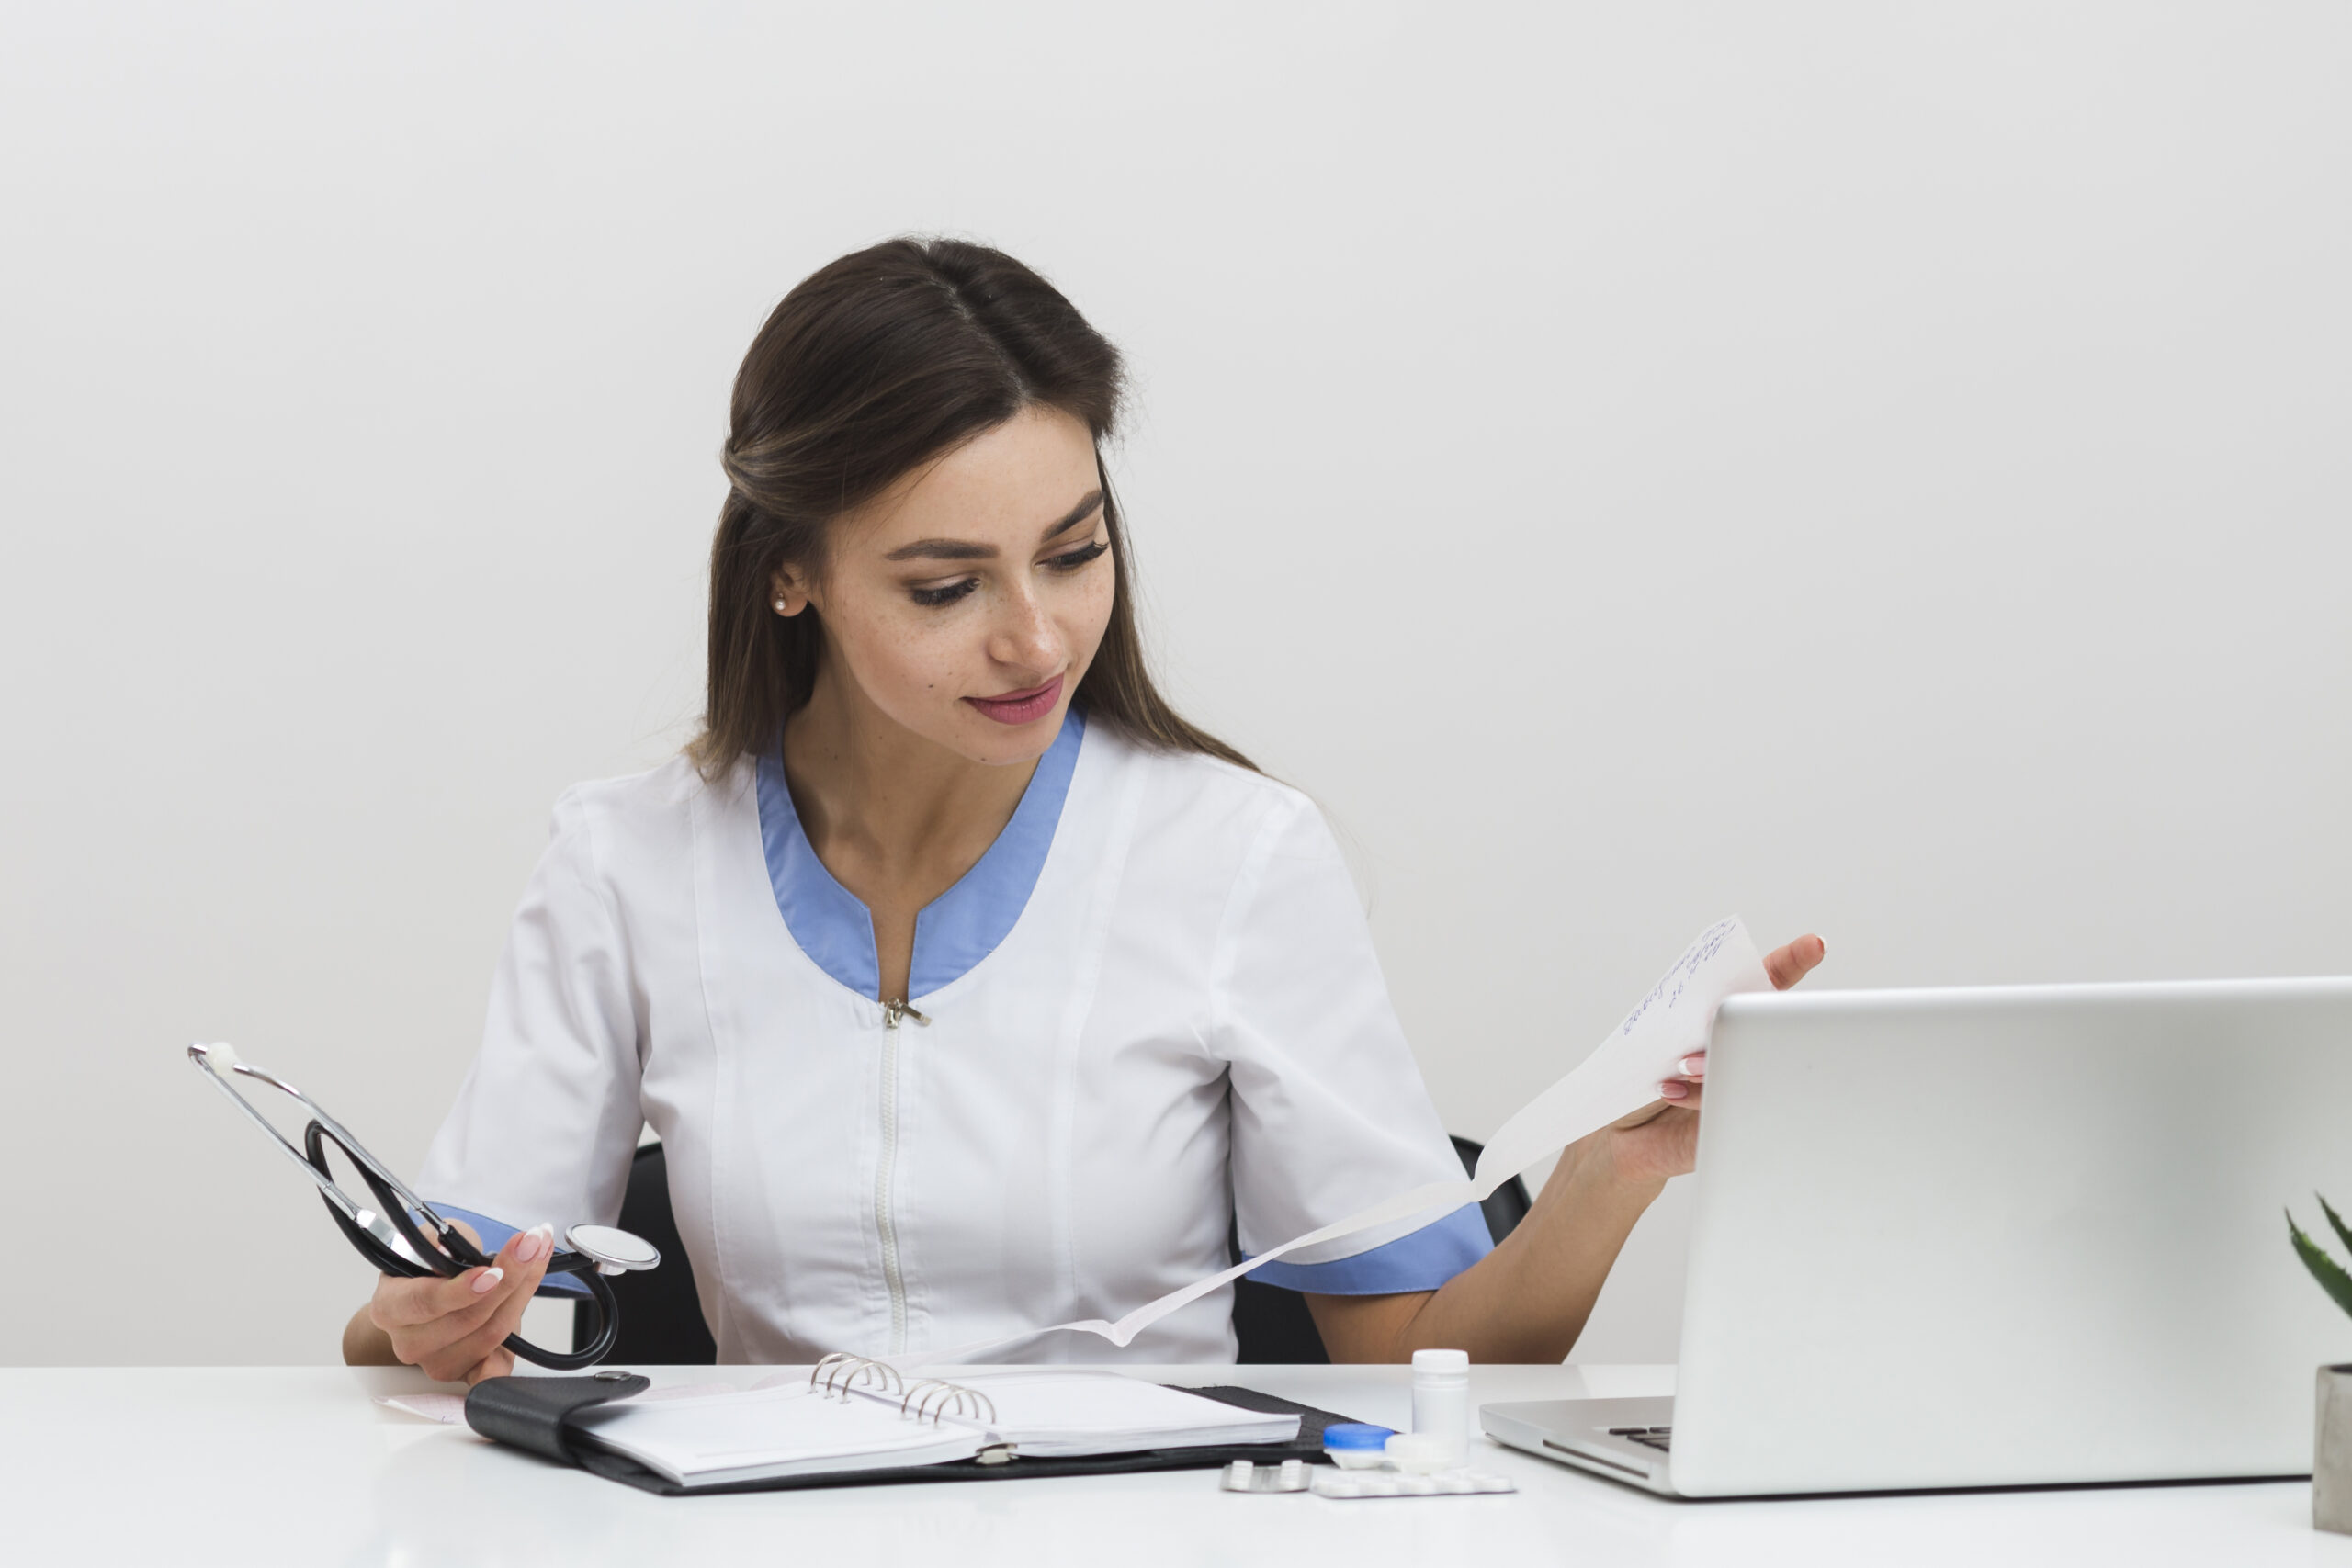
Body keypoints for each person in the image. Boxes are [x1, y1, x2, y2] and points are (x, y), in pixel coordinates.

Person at [343, 238, 1825, 1384]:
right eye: (946, 587)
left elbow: (1419, 1367)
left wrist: (1606, 1177)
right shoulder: (629, 859)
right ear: (791, 571)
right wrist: (428, 1322)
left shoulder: (1234, 857)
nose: (1039, 640)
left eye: (1073, 552)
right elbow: (417, 1322)